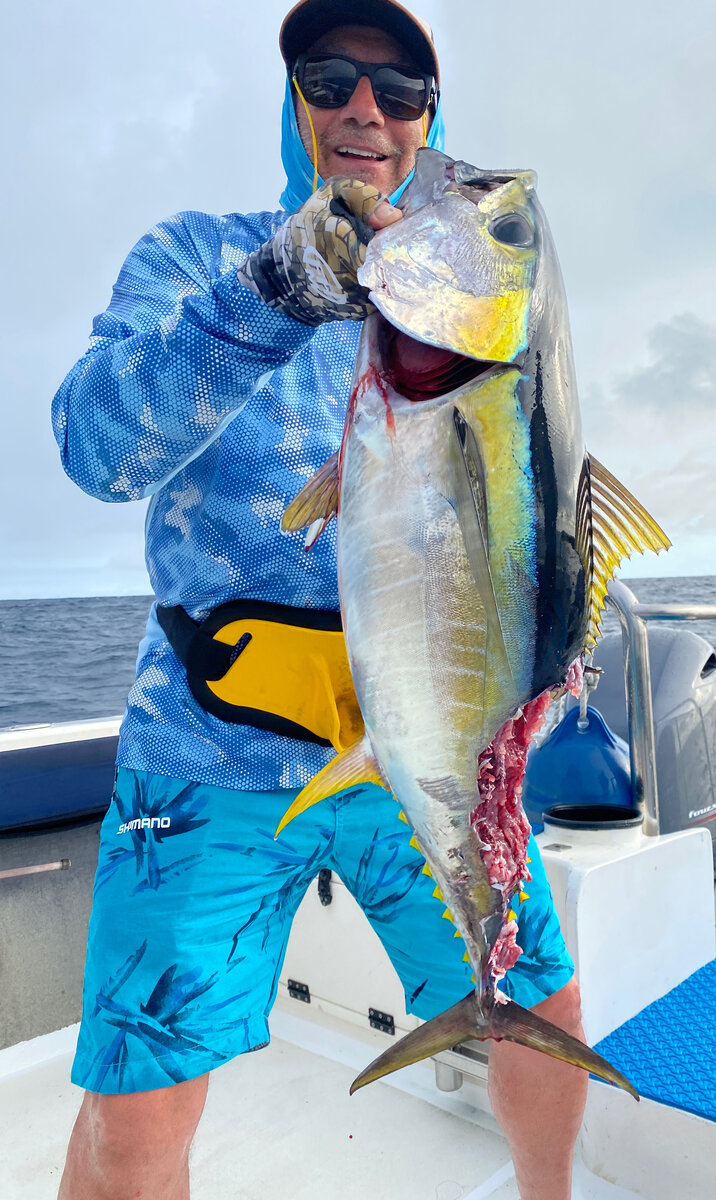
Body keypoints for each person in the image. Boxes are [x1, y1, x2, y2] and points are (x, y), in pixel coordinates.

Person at [52, 2, 589, 1197]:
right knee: (137, 1104)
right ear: (292, 103)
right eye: (333, 78)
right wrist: (275, 293)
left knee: (539, 997)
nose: (366, 110)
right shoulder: (196, 258)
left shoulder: (457, 312)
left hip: (432, 738)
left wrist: (549, 662)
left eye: (400, 92)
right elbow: (92, 451)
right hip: (209, 749)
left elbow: (531, 521)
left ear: (427, 121)